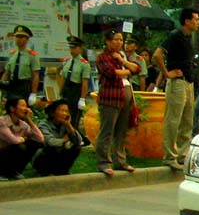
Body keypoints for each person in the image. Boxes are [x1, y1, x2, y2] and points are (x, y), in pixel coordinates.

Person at [153, 7, 199, 169]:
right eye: (195, 19)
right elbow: (157, 55)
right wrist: (167, 73)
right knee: (173, 119)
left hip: (188, 82)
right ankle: (169, 156)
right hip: (177, 83)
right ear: (187, 21)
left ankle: (183, 154)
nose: (198, 22)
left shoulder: (188, 39)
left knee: (188, 120)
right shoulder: (175, 35)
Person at [94, 29, 139, 176]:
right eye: (115, 39)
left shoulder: (121, 57)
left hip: (124, 96)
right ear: (107, 41)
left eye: (121, 40)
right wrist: (127, 71)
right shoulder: (102, 57)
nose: (119, 42)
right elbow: (113, 73)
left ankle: (120, 160)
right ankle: (104, 162)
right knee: (107, 130)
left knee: (121, 130)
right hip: (110, 97)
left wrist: (122, 61)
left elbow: (136, 68)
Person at [33, 100, 83, 176]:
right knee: (53, 148)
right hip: (42, 157)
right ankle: (45, 171)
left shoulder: (65, 124)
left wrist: (69, 125)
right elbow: (50, 142)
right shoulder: (43, 125)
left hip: (58, 156)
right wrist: (64, 140)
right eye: (62, 111)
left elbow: (78, 141)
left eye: (66, 111)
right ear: (53, 112)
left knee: (77, 148)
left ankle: (62, 170)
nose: (64, 114)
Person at [0, 96, 43, 179]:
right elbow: (13, 140)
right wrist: (23, 139)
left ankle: (16, 171)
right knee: (20, 147)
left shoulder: (22, 124)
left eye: (26, 106)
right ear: (12, 108)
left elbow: (40, 138)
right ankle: (5, 172)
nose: (26, 109)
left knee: (35, 144)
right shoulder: (2, 121)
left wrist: (28, 119)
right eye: (22, 106)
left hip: (9, 154)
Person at [58, 35, 91, 131]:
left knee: (73, 118)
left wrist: (82, 98)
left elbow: (85, 82)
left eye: (74, 47)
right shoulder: (67, 61)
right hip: (66, 90)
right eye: (70, 47)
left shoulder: (84, 64)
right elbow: (63, 78)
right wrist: (60, 93)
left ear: (80, 48)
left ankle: (73, 139)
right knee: (63, 116)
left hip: (76, 91)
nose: (72, 50)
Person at [2, 25, 40, 104]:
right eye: (17, 36)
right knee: (10, 109)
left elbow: (35, 75)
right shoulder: (12, 54)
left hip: (24, 86)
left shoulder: (32, 55)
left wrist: (33, 93)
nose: (18, 39)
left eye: (21, 37)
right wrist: (1, 87)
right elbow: (7, 72)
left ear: (27, 39)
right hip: (12, 85)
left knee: (22, 109)